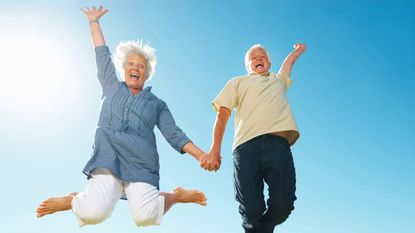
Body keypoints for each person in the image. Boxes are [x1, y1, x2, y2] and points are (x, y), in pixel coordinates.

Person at [36, 6, 207, 227]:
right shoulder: (111, 86)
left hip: (141, 163)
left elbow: (174, 134)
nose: (135, 68)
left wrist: (201, 155)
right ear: (124, 69)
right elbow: (101, 55)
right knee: (91, 215)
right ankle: (72, 200)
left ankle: (174, 196)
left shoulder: (157, 104)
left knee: (144, 217)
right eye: (131, 64)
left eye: (141, 66)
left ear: (147, 73)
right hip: (108, 157)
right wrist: (94, 22)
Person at [200, 43, 307, 233]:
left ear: (269, 62)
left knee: (283, 205)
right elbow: (222, 114)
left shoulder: (278, 80)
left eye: (262, 56)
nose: (258, 59)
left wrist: (298, 51)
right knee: (251, 209)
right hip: (246, 148)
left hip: (279, 146)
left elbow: (289, 62)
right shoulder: (238, 82)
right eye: (253, 58)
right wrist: (215, 149)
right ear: (248, 66)